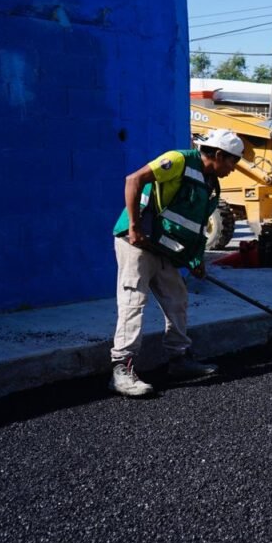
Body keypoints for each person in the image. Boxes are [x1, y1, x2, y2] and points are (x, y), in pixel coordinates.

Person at [108, 128, 244, 397]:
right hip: (137, 241)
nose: (233, 168)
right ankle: (121, 368)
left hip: (163, 248)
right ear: (218, 155)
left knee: (177, 299)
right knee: (133, 300)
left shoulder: (210, 186)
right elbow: (133, 180)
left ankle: (179, 359)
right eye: (232, 161)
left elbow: (195, 229)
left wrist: (196, 260)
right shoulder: (179, 160)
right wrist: (134, 227)